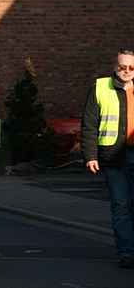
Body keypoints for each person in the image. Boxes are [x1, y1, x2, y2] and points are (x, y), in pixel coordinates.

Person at [82, 49, 134, 268]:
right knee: (121, 205)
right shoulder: (101, 87)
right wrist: (90, 155)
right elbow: (89, 125)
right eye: (123, 67)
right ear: (115, 67)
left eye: (131, 68)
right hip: (114, 157)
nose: (127, 71)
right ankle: (127, 253)